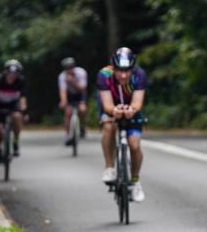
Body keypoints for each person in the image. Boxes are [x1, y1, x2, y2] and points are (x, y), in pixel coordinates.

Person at [97, 47, 147, 202]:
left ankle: (136, 181)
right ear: (113, 67)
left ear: (133, 69)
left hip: (131, 109)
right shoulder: (104, 75)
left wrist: (132, 110)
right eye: (120, 70)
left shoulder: (139, 75)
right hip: (112, 107)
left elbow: (138, 102)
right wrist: (114, 111)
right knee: (108, 126)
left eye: (127, 71)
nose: (123, 75)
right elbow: (106, 104)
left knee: (134, 145)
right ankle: (110, 168)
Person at [0, 59, 27, 164]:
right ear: (6, 72)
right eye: (10, 73)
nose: (12, 76)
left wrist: (24, 111)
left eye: (15, 73)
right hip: (0, 106)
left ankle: (15, 141)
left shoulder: (20, 80)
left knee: (17, 117)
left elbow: (23, 98)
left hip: (14, 105)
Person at [58, 57, 88, 144]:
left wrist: (73, 82)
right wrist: (63, 102)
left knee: (82, 110)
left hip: (80, 94)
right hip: (70, 95)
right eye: (67, 69)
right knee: (68, 112)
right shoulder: (62, 76)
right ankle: (68, 135)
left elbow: (83, 88)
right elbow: (63, 91)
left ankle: (82, 127)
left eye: (71, 67)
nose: (70, 70)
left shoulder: (81, 72)